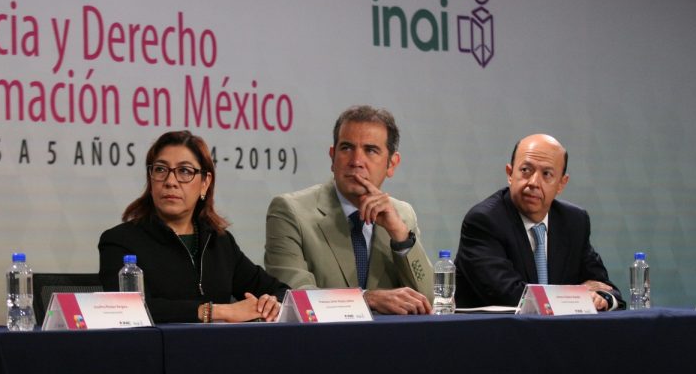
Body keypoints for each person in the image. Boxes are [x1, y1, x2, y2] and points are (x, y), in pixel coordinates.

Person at [99, 130, 287, 323]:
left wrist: (271, 304)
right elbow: (126, 309)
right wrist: (215, 312)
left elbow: (281, 293)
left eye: (185, 171)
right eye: (160, 169)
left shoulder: (219, 241)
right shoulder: (119, 241)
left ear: (205, 183)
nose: (170, 182)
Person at [265, 105, 433, 315]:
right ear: (332, 157)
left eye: (370, 150)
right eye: (346, 148)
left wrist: (400, 236)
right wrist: (365, 298)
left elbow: (427, 300)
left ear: (392, 164)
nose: (356, 161)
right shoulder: (290, 211)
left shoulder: (402, 214)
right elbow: (293, 297)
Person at [454, 133, 625, 310]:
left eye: (547, 174)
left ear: (561, 183)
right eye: (525, 170)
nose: (534, 182)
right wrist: (578, 293)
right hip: (495, 333)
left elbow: (605, 287)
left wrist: (603, 298)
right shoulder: (484, 221)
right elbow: (511, 296)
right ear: (510, 173)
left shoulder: (574, 222)